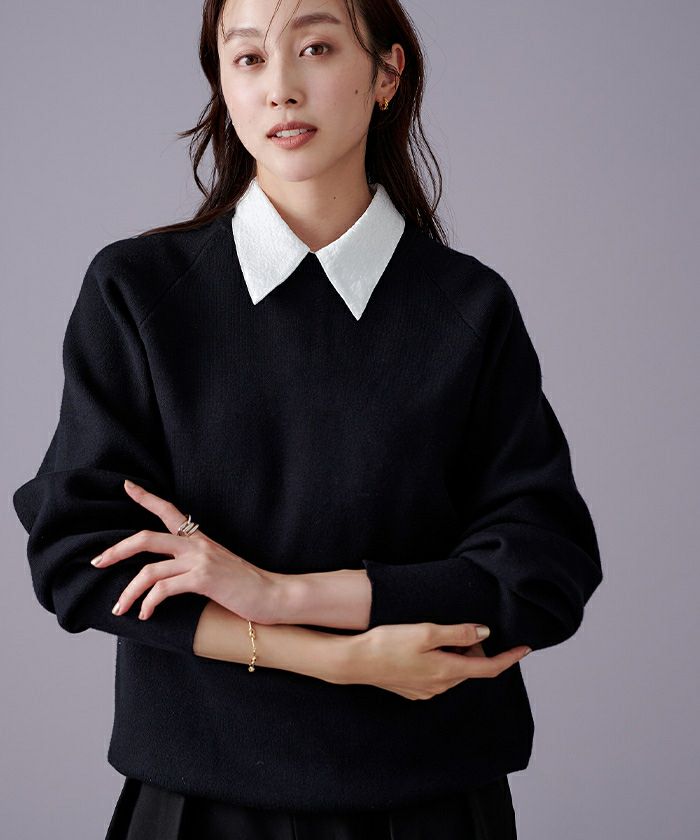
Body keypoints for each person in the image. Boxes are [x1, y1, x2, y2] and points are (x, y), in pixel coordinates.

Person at [12, 0, 604, 838]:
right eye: (249, 58)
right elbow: (81, 555)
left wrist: (280, 593)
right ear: (223, 82)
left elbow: (541, 569)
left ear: (387, 73)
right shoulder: (138, 292)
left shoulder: (469, 308)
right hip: (199, 807)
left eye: (317, 48)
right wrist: (335, 657)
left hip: (430, 806)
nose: (281, 88)